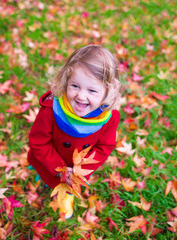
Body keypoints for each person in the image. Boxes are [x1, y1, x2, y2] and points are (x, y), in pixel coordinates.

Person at [27, 45, 122, 219]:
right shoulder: (51, 110)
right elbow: (39, 142)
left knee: (68, 188)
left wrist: (79, 170)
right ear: (66, 80)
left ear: (108, 91)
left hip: (78, 168)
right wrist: (62, 170)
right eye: (75, 86)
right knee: (48, 176)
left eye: (92, 90)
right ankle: (43, 179)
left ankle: (65, 198)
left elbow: (104, 146)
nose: (81, 96)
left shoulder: (110, 117)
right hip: (52, 162)